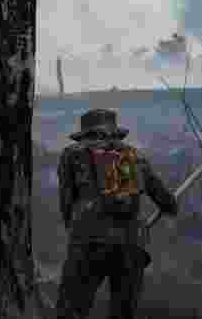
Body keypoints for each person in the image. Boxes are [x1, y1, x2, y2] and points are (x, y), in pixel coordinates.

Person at [55, 108, 178, 319]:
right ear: (115, 132)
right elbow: (165, 200)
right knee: (122, 313)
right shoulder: (134, 156)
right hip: (131, 245)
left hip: (88, 242)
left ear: (85, 133)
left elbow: (66, 201)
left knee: (71, 309)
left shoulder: (72, 154)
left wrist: (75, 231)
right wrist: (171, 205)